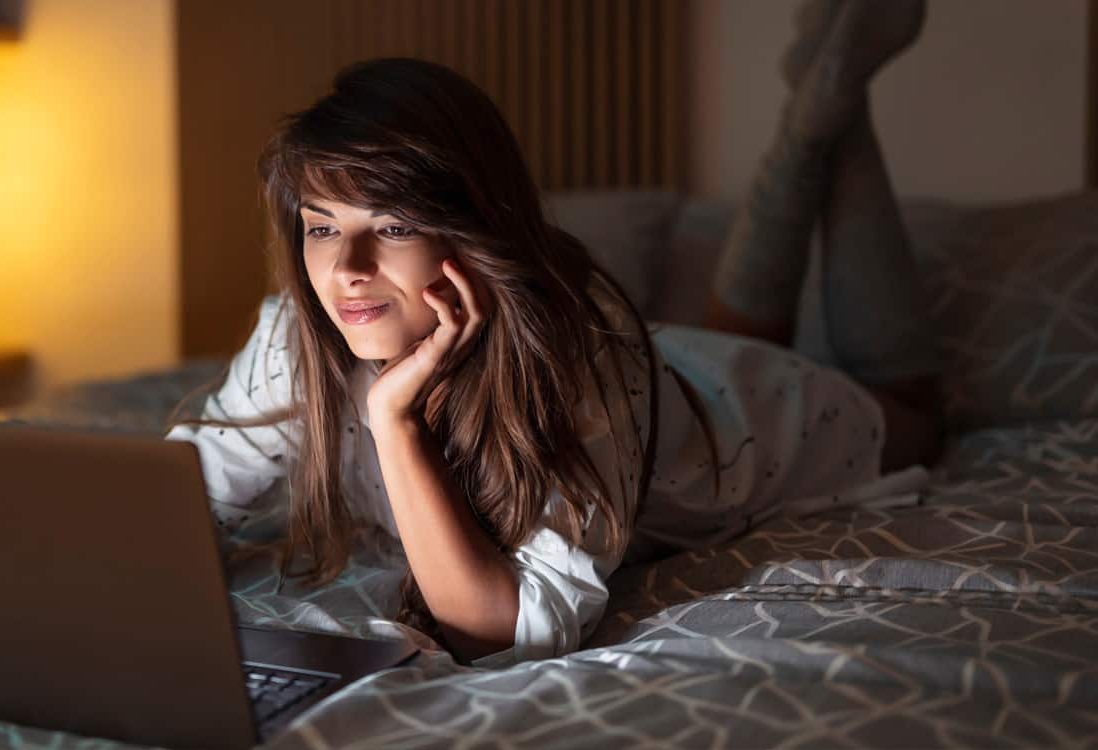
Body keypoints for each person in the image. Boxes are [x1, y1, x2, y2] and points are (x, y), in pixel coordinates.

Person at [166, 0, 941, 667]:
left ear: (473, 231)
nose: (347, 270)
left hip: (758, 421)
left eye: (394, 225)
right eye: (323, 228)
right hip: (668, 383)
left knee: (915, 406)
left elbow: (504, 634)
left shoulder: (578, 363)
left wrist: (392, 421)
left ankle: (824, 118)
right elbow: (170, 507)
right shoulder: (293, 342)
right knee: (738, 326)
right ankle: (805, 125)